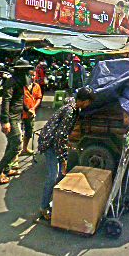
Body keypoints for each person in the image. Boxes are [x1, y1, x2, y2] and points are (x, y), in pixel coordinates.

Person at [38, 86, 96, 220]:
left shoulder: (74, 106)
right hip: (49, 142)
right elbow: (60, 137)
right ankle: (43, 207)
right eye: (88, 102)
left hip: (55, 140)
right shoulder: (70, 111)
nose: (89, 105)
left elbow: (63, 133)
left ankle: (57, 199)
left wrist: (66, 144)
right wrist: (63, 158)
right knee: (53, 176)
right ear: (84, 101)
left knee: (60, 174)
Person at [0, 59, 33, 184]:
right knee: (17, 145)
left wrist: (27, 109)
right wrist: (5, 121)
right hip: (10, 118)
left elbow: (20, 99)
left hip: (17, 116)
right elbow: (6, 101)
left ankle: (7, 169)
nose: (28, 73)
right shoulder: (11, 82)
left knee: (11, 144)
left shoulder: (20, 83)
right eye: (26, 71)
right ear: (20, 71)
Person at [20, 74, 42, 155]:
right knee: (18, 133)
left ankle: (24, 148)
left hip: (31, 114)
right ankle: (17, 151)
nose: (32, 77)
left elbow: (38, 98)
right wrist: (27, 109)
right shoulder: (21, 86)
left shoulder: (37, 86)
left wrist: (33, 108)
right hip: (19, 113)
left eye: (33, 75)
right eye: (30, 75)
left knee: (29, 132)